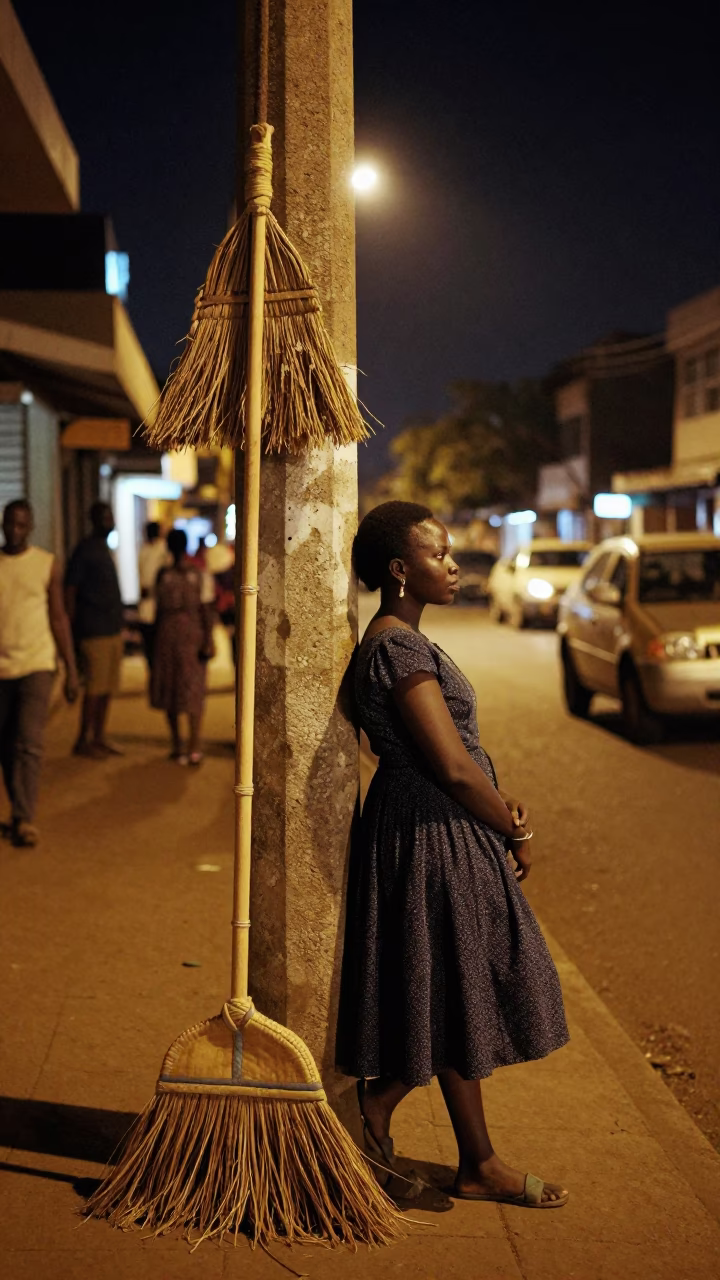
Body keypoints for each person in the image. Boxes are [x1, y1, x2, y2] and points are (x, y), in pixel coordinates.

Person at [337, 501, 570, 1209]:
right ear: (400, 570)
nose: (455, 565)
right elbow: (452, 765)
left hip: (430, 826)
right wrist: (513, 828)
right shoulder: (398, 647)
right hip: (433, 828)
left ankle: (467, 1156)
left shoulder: (398, 640)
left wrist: (498, 814)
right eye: (439, 555)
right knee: (464, 975)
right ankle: (392, 1113)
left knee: (447, 977)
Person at [0, 499, 79, 846]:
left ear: (29, 527)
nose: (14, 530)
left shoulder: (46, 564)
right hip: (2, 668)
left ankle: (25, 817)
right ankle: (18, 807)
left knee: (29, 743)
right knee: (5, 744)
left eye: (21, 525)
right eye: (9, 524)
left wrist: (71, 669)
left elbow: (58, 618)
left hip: (37, 663)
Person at [150, 528, 215, 765]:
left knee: (190, 689)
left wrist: (208, 639)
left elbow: (206, 608)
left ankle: (188, 744)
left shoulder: (194, 575)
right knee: (175, 689)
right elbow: (206, 608)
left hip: (185, 638)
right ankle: (184, 745)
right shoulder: (170, 574)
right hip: (177, 637)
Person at [65, 502, 124, 759]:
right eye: (104, 517)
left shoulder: (103, 548)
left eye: (110, 516)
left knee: (107, 687)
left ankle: (99, 736)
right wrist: (71, 629)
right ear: (94, 520)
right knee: (94, 688)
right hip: (94, 630)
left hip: (111, 629)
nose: (109, 521)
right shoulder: (85, 550)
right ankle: (83, 740)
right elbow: (70, 590)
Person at [137, 521, 169, 668]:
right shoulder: (144, 551)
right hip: (146, 609)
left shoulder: (164, 551)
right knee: (150, 650)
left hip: (159, 607)